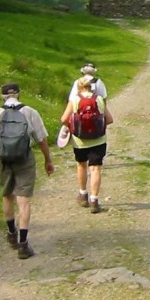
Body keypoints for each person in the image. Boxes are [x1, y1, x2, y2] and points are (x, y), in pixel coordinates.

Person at [0, 83, 55, 259]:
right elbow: (41, 138)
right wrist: (48, 160)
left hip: (4, 159)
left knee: (7, 195)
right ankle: (23, 245)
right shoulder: (30, 111)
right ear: (19, 94)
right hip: (24, 158)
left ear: (2, 96)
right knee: (23, 201)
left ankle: (11, 234)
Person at [61, 74, 113, 213]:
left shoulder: (75, 100)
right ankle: (94, 200)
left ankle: (83, 194)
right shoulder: (99, 99)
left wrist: (72, 125)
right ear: (92, 87)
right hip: (98, 140)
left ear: (79, 87)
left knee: (81, 165)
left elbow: (64, 119)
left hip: (80, 140)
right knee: (95, 168)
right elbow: (109, 119)